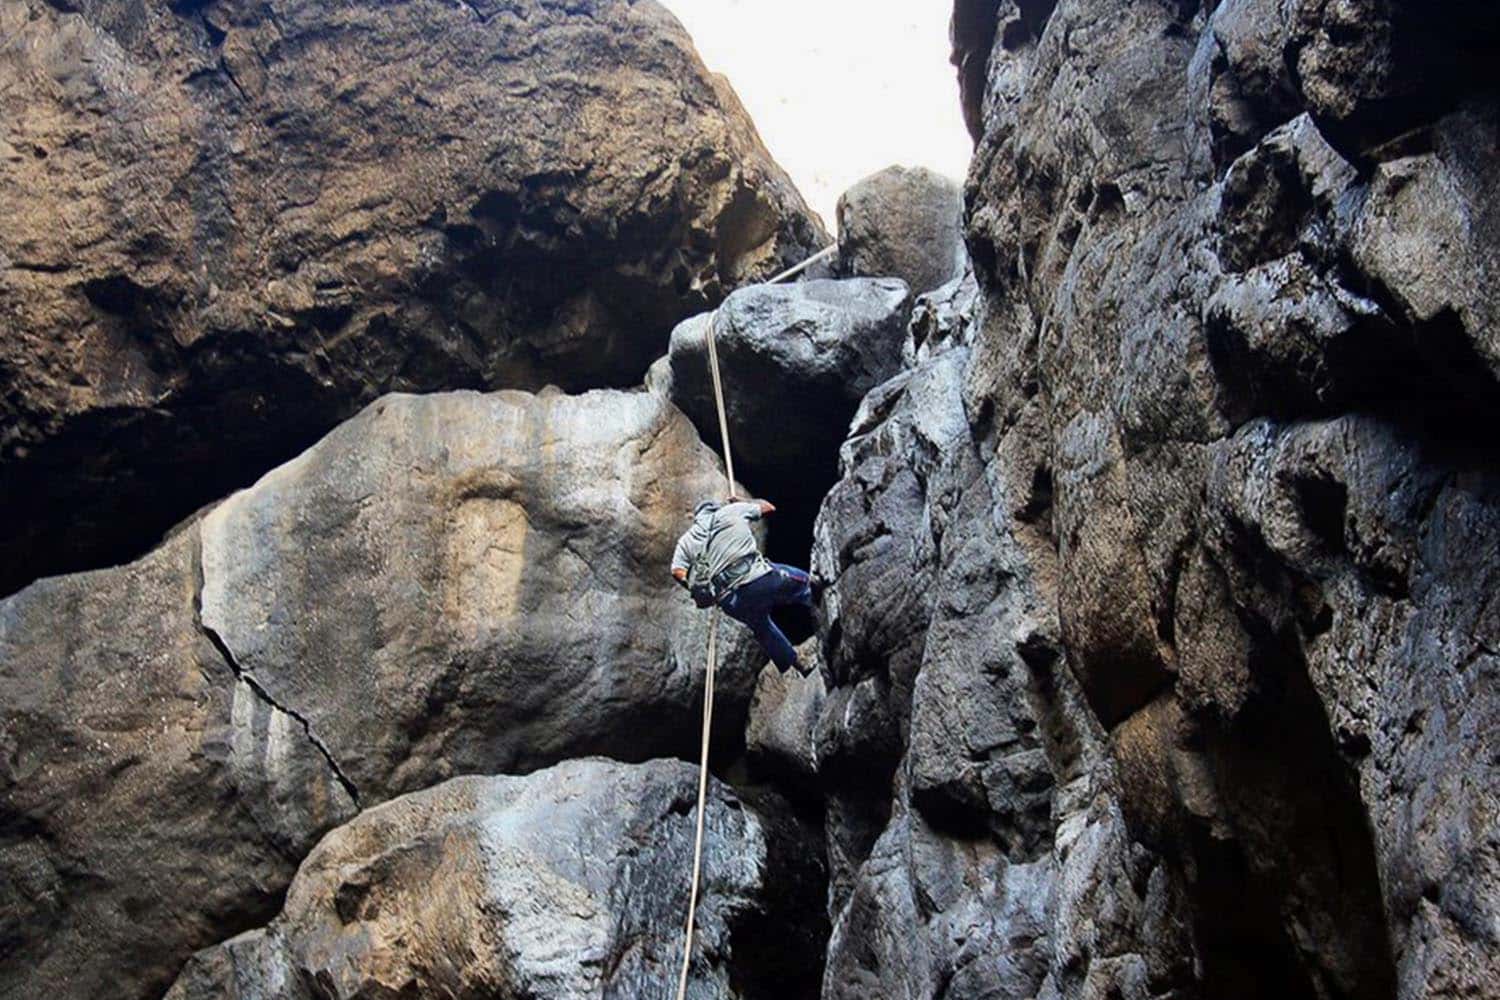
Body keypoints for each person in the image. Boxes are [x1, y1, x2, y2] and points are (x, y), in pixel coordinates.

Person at [671, 497, 814, 675]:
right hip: (757, 578)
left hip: (731, 601)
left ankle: (797, 662)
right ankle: (826, 615)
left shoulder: (687, 540)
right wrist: (742, 501)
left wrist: (699, 589)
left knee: (761, 626)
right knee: (806, 584)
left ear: (696, 518)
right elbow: (769, 508)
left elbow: (677, 570)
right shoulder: (731, 510)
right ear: (716, 509)